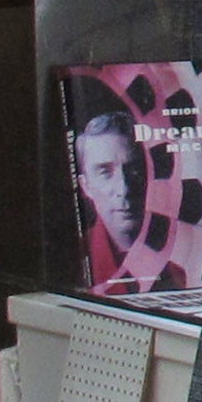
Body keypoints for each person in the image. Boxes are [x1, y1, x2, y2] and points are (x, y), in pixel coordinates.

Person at [72, 109, 148, 292]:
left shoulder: (182, 262)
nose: (124, 189)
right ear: (85, 186)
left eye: (134, 170)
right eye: (105, 172)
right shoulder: (73, 259)